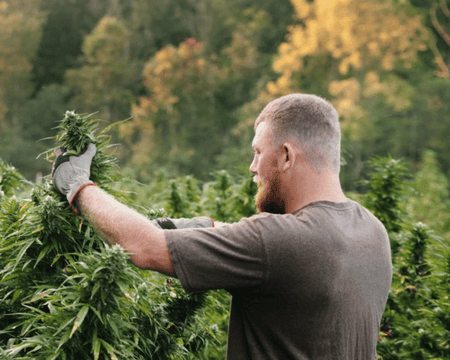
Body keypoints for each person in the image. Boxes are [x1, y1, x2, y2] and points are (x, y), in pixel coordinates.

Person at [52, 93, 392, 360]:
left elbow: (144, 248)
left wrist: (79, 185)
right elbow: (260, 246)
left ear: (287, 156)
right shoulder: (372, 232)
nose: (252, 167)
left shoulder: (278, 242)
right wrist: (192, 227)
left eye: (258, 153)